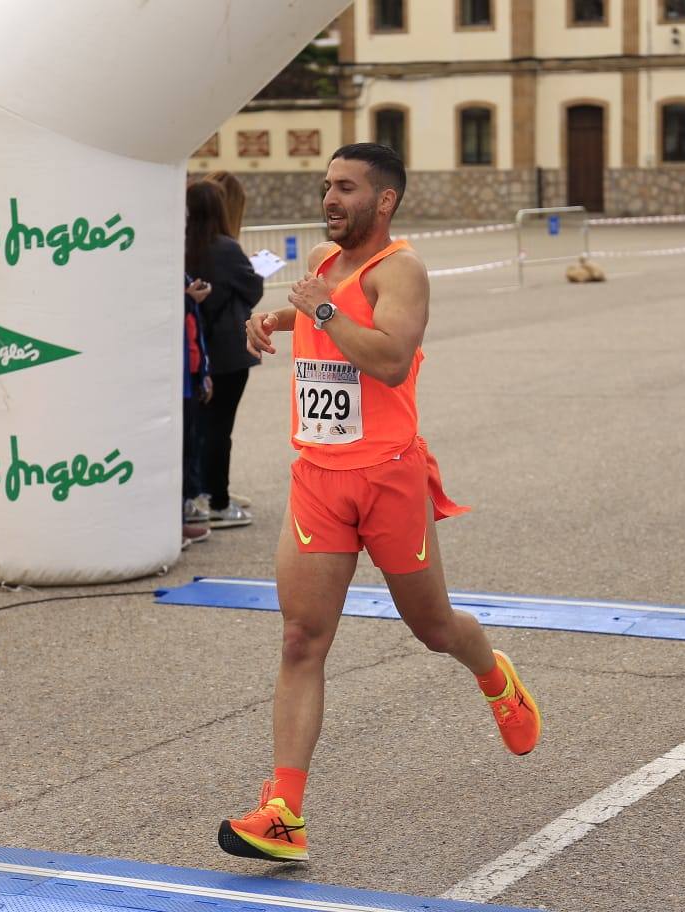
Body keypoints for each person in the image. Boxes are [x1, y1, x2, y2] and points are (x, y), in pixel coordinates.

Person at [220, 143, 541, 862]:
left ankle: (495, 676)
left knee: (431, 627)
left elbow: (391, 357)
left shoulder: (403, 270)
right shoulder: (321, 270)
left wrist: (322, 311)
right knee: (302, 640)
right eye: (325, 185)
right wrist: (281, 321)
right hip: (319, 479)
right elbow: (329, 325)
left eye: (345, 188)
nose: (329, 198)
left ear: (384, 201)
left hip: (389, 479)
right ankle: (284, 812)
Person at [185, 180, 262, 529]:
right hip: (228, 353)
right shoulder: (226, 248)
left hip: (195, 352)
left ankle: (198, 492)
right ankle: (219, 499)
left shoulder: (180, 246)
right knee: (221, 429)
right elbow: (253, 286)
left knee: (198, 426)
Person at [182, 274, 213, 548]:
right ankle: (177, 519)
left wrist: (203, 372)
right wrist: (188, 299)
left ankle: (183, 512)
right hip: (176, 377)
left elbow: (196, 332)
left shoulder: (182, 272)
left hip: (191, 373)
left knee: (189, 445)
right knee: (179, 448)